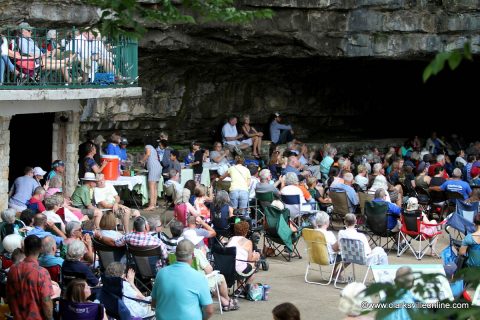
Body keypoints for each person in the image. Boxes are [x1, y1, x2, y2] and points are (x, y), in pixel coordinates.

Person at [151, 239, 214, 320]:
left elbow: (154, 303)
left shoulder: (161, 273)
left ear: (175, 255)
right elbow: (209, 310)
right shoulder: (199, 277)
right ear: (193, 256)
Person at [6, 235, 54, 320]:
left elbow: (9, 296)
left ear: (24, 249)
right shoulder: (42, 273)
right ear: (40, 249)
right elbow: (46, 302)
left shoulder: (13, 269)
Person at [226, 221, 260, 295]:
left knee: (242, 263)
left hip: (228, 268)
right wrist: (257, 256)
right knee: (253, 265)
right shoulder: (248, 242)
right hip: (237, 269)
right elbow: (249, 259)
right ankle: (242, 289)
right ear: (246, 231)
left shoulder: (231, 239)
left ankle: (240, 288)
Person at [140, 136, 162, 211]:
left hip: (153, 168)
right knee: (155, 187)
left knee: (152, 187)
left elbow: (148, 154)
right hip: (158, 167)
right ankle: (154, 204)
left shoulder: (148, 146)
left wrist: (142, 161)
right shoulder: (154, 148)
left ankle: (151, 205)